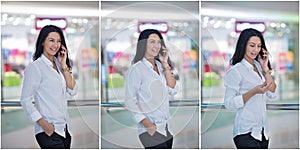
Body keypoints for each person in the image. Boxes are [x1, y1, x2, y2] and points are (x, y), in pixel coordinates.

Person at [20, 25, 77, 149]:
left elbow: (72, 90)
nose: (55, 45)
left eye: (58, 41)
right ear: (42, 42)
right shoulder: (35, 67)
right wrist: (44, 125)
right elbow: (25, 100)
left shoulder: (59, 65)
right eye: (51, 40)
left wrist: (64, 65)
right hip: (48, 131)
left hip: (65, 129)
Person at [124, 29, 179, 148]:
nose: (156, 46)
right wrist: (148, 124)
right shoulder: (136, 69)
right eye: (152, 42)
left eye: (159, 42)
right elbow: (130, 101)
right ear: (143, 44)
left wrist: (165, 65)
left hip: (166, 128)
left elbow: (173, 89)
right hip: (150, 130)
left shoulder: (160, 66)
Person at [224, 28, 277, 149]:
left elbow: (273, 91)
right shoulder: (236, 71)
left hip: (263, 132)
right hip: (245, 132)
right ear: (243, 45)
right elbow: (229, 103)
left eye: (259, 46)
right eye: (252, 45)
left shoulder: (259, 66)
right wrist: (254, 92)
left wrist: (265, 68)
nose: (256, 50)